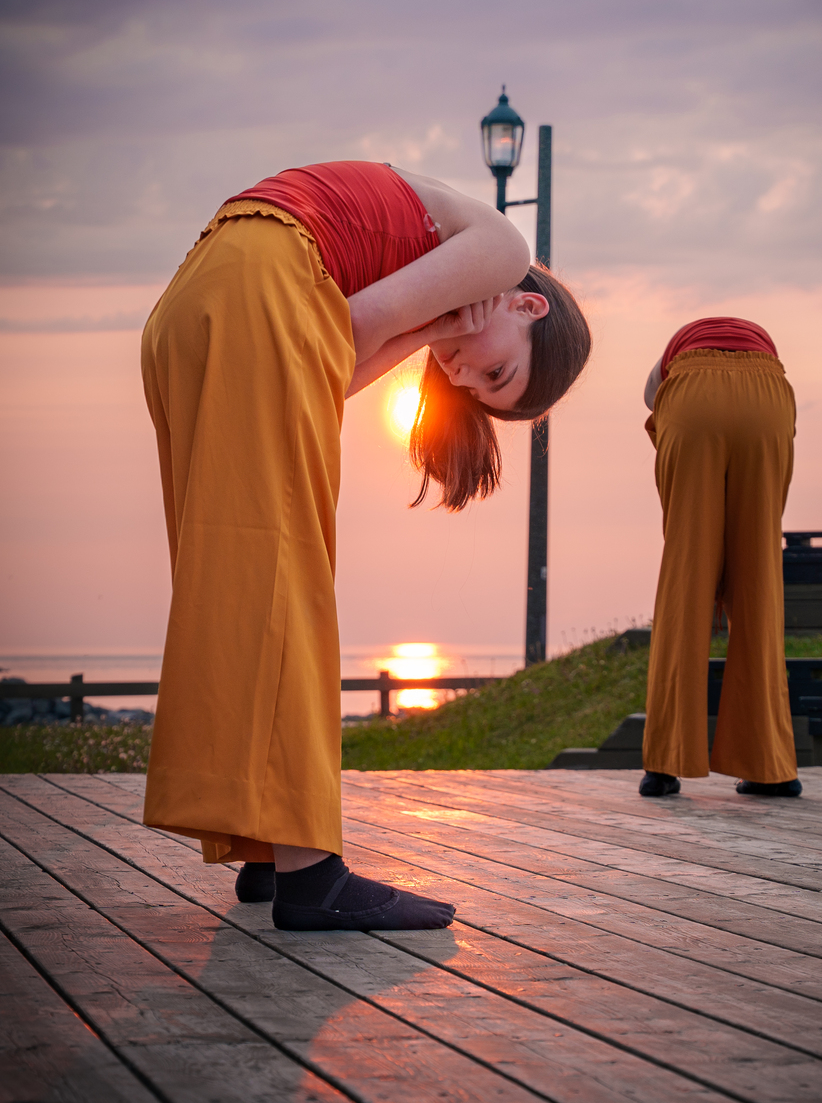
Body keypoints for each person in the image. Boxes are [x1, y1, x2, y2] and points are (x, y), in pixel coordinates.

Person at [141, 160, 590, 931]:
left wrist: (433, 328)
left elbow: (328, 362)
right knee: (288, 580)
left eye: (478, 389)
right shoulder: (505, 247)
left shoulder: (449, 256)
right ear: (527, 301)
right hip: (260, 282)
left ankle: (264, 843)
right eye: (496, 369)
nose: (461, 374)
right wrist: (431, 327)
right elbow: (342, 329)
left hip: (200, 298)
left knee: (243, 577)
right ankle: (309, 874)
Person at [638, 318, 800, 800]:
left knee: (687, 579)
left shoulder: (676, 355)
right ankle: (772, 767)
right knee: (759, 581)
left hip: (693, 403)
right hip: (768, 403)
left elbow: (652, 397)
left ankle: (665, 764)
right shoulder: (764, 351)